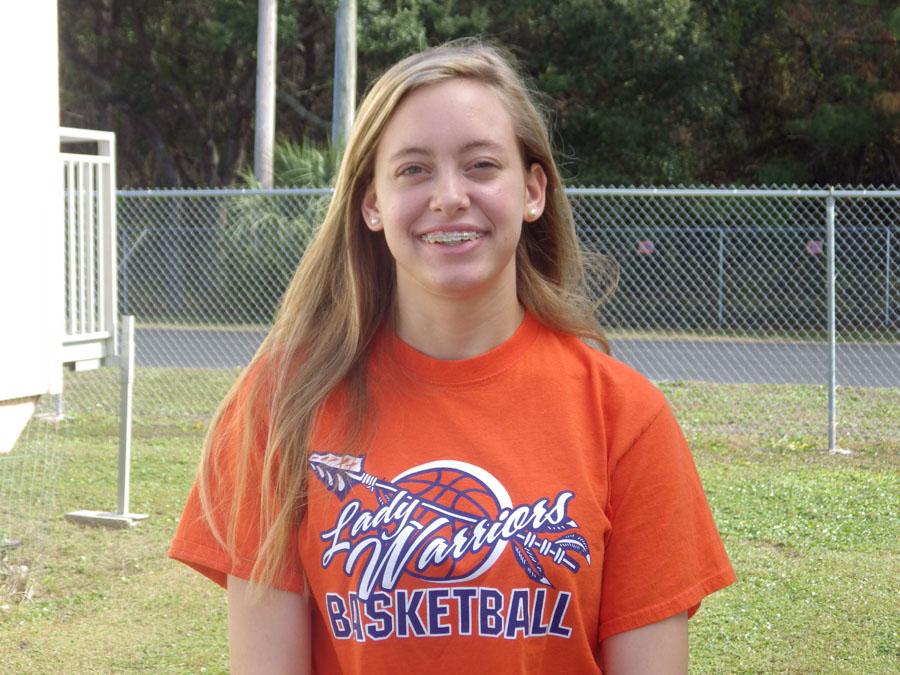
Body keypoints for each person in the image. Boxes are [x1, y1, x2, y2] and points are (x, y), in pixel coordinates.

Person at [169, 39, 735, 674]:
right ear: (372, 203)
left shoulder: (625, 416)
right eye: (413, 169)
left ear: (532, 190)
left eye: (481, 165)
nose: (449, 196)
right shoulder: (281, 404)